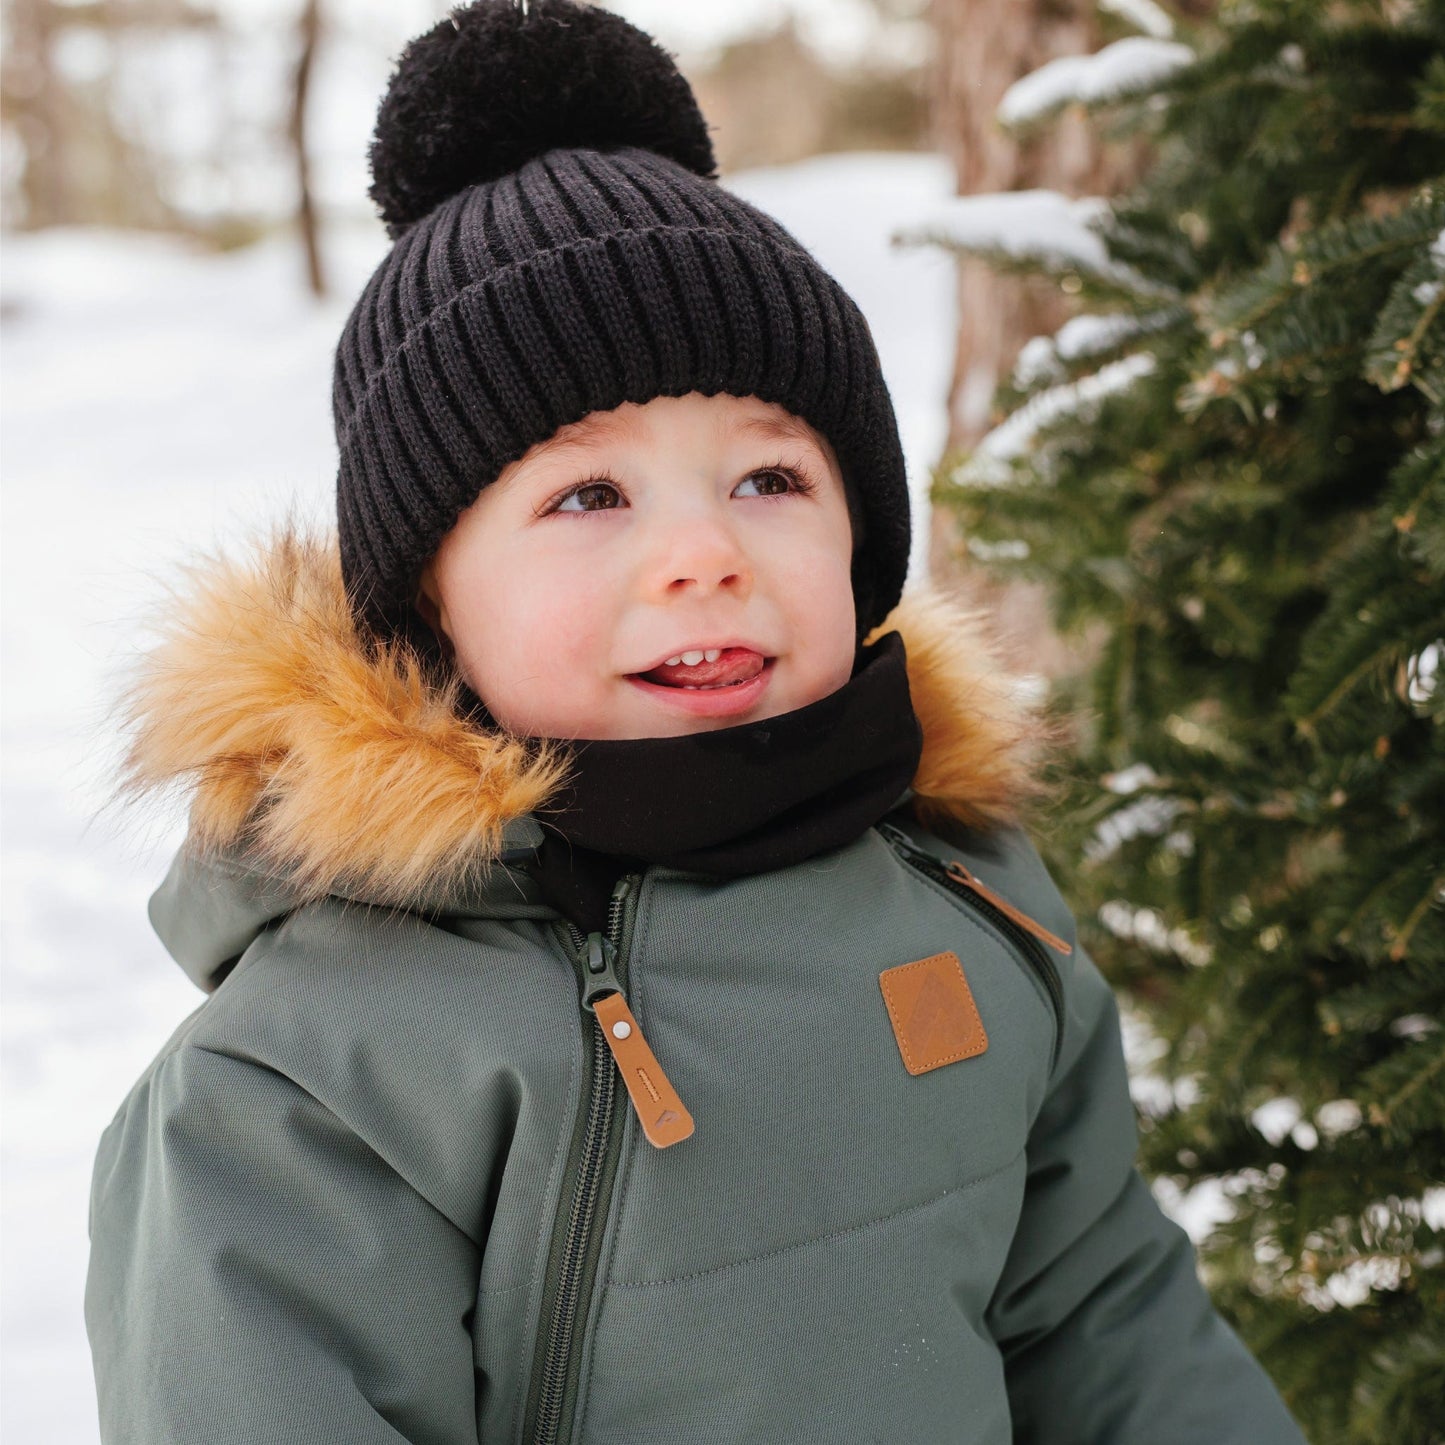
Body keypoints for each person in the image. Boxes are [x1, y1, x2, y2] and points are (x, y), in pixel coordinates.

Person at [83, 2, 1310, 1441]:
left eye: (770, 479)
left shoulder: (973, 904)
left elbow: (1103, 1319)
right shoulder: (313, 1075)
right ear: (424, 606)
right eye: (588, 496)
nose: (704, 554)